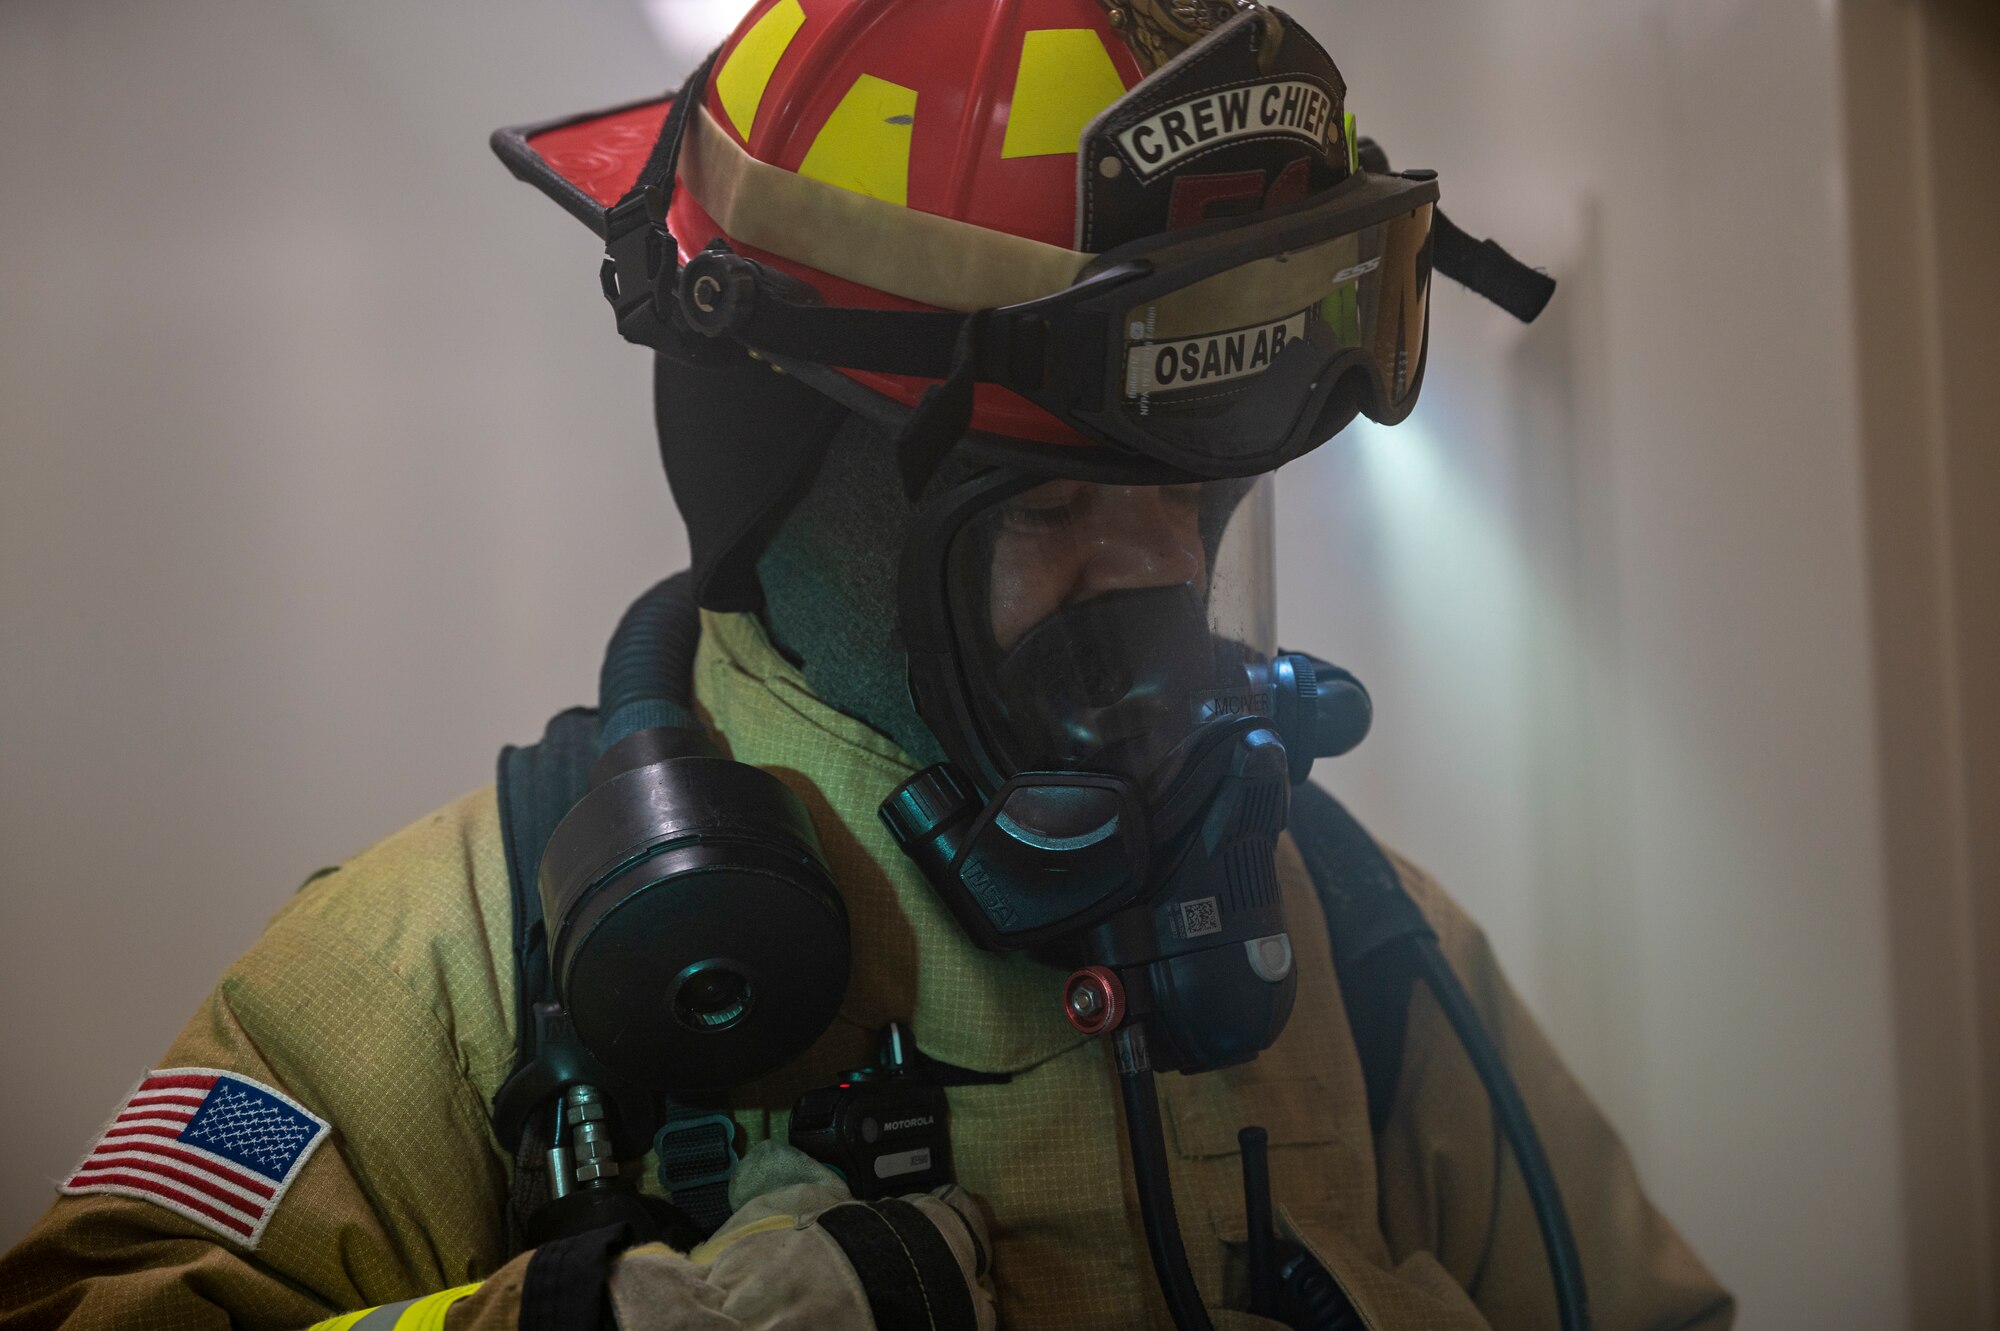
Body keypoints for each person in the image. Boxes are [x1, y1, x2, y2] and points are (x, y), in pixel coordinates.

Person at [0, 1, 1735, 1328]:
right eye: (1054, 509)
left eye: (1201, 509)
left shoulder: (1352, 929)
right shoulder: (457, 963)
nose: (1154, 582)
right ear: (806, 497)